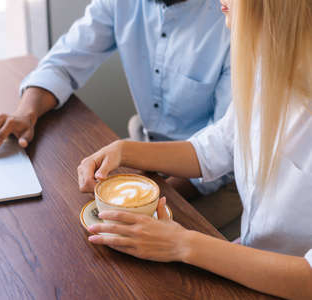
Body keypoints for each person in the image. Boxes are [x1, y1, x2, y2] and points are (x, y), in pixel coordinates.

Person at [77, 0, 312, 298]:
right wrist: (124, 151)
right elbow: (215, 147)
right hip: (250, 269)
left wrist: (182, 244)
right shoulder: (271, 70)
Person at [0, 0, 233, 203]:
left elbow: (222, 152)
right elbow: (63, 62)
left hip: (213, 182)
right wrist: (26, 113)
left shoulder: (232, 18)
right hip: (146, 156)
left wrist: (141, 200)